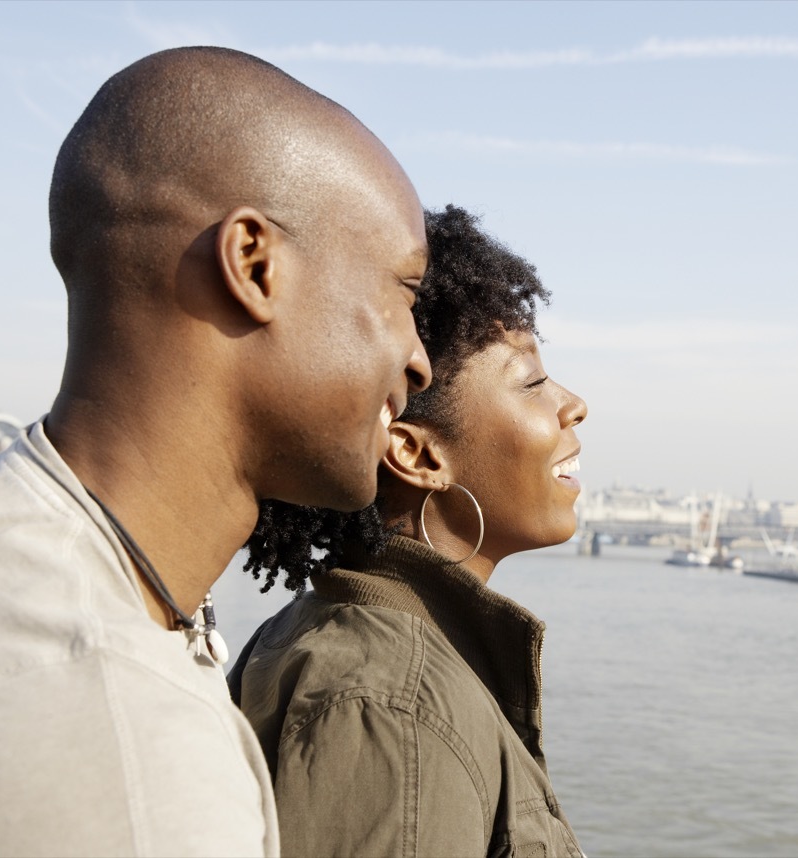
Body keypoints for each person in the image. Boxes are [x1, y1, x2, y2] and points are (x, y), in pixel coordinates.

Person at [0, 47, 431, 857]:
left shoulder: (7, 541)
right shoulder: (115, 740)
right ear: (254, 265)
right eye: (405, 293)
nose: (420, 361)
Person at [231, 205, 587, 857]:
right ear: (416, 453)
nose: (574, 405)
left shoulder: (340, 639)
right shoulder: (392, 708)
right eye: (532, 382)